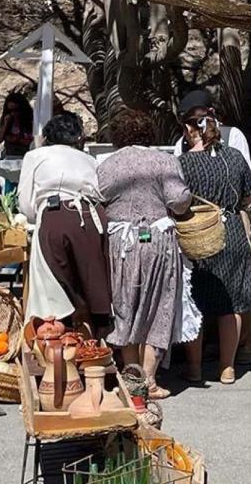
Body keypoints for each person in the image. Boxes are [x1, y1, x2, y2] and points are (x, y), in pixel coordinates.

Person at [98, 109, 191, 399]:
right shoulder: (165, 161)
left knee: (124, 303)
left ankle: (131, 374)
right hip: (158, 241)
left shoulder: (106, 165)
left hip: (121, 243)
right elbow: (177, 201)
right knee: (159, 305)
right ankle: (150, 379)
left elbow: (98, 197)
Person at [179, 107, 251, 384]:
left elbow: (177, 202)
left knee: (196, 302)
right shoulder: (235, 157)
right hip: (232, 230)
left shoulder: (183, 163)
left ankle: (195, 368)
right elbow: (250, 198)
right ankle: (228, 367)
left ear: (191, 129)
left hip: (197, 233)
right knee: (231, 304)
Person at [18, 112, 112, 336]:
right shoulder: (89, 159)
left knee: (54, 284)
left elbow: (25, 205)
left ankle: (58, 339)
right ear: (78, 137)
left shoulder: (36, 155)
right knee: (91, 282)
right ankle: (98, 339)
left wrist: (35, 217)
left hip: (56, 215)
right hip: (92, 217)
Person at [0, 90, 34, 159]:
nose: (13, 113)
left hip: (27, 155)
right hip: (10, 156)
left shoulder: (31, 120)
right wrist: (5, 124)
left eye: (16, 110)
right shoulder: (8, 120)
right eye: (10, 111)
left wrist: (20, 140)